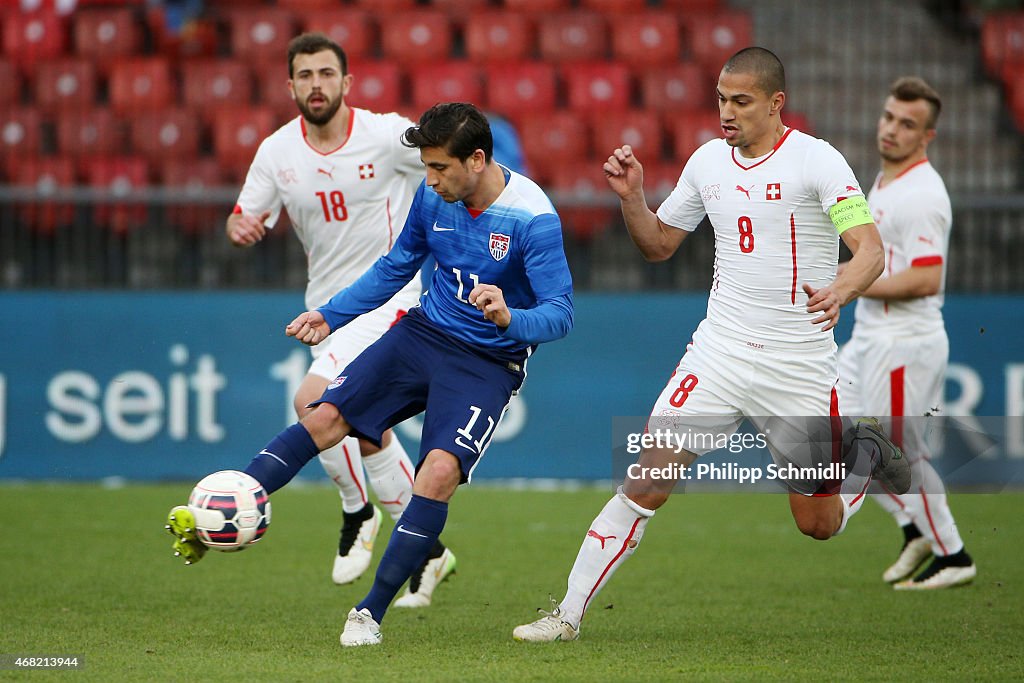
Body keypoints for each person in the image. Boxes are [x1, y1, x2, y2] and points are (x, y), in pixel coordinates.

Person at [513, 46, 910, 643]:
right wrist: (631, 199)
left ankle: (867, 456)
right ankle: (566, 615)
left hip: (796, 363)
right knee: (646, 479)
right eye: (721, 99)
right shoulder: (706, 163)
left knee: (819, 525)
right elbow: (659, 244)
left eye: (741, 101)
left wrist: (839, 290)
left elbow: (871, 251)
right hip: (718, 353)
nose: (726, 112)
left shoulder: (818, 161)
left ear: (777, 104)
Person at [170, 102, 574, 647]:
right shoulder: (432, 196)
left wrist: (510, 317)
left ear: (476, 160)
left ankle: (369, 612)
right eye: (425, 167)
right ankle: (233, 499)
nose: (428, 180)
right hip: (425, 333)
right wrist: (329, 315)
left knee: (436, 473)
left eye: (439, 168)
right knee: (325, 415)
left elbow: (561, 313)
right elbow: (396, 266)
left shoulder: (533, 216)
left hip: (487, 361)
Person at [211, 32, 455, 605]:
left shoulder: (384, 135)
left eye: (326, 74)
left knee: (313, 402)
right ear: (290, 85)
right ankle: (429, 552)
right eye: (305, 75)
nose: (315, 84)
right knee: (368, 433)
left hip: (395, 299)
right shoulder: (277, 152)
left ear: (346, 83)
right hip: (330, 308)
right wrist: (239, 229)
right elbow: (244, 216)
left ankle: (358, 512)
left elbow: (442, 154)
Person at [838, 77, 976, 590]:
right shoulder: (886, 180)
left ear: (928, 136)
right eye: (889, 117)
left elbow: (925, 278)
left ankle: (953, 553)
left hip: (903, 345)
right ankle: (915, 527)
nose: (892, 129)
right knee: (832, 432)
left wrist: (851, 284)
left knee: (896, 454)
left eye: (907, 124)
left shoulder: (922, 194)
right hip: (871, 339)